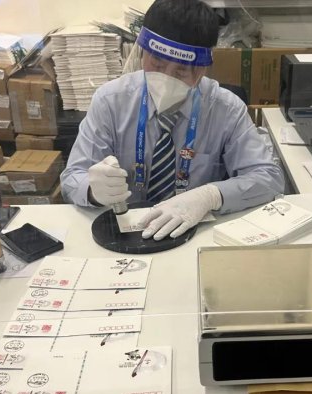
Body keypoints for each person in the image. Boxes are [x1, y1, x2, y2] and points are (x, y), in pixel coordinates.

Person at [60, 0, 284, 240]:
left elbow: (268, 178)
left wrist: (211, 195)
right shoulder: (110, 101)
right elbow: (72, 177)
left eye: (181, 71)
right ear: (142, 52)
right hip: (123, 232)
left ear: (202, 69)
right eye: (156, 64)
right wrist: (93, 191)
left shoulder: (226, 109)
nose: (166, 79)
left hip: (193, 232)